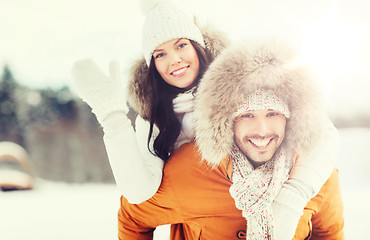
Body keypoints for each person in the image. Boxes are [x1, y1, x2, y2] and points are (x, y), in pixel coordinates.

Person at [71, 0, 339, 237]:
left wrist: (292, 196)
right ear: (151, 64)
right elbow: (137, 199)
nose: (174, 60)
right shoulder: (159, 125)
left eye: (181, 45)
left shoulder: (242, 82)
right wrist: (113, 117)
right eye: (160, 54)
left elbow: (321, 132)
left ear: (198, 46)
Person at [117, 39, 344, 239]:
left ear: (290, 118)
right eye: (247, 115)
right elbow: (133, 218)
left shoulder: (315, 171)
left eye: (273, 113)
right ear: (228, 120)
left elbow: (329, 233)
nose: (262, 130)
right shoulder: (192, 168)